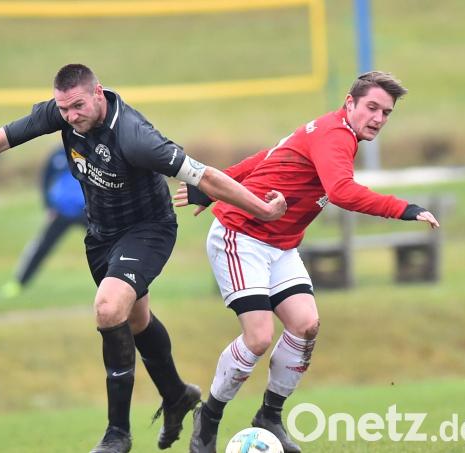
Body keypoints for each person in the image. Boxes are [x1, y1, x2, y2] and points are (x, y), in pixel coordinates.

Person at [0, 64, 286, 453]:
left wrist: (263, 210)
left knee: (108, 308)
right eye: (64, 109)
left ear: (98, 93)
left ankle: (117, 433)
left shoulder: (135, 137)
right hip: (102, 236)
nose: (71, 117)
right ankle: (176, 394)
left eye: (78, 106)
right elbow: (1, 138)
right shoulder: (61, 112)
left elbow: (205, 176)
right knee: (135, 319)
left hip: (149, 230)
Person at [173, 71, 440, 453]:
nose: (378, 119)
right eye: (372, 108)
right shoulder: (335, 135)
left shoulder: (329, 130)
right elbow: (342, 192)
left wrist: (216, 184)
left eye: (386, 113)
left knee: (305, 323)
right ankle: (209, 416)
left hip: (280, 245)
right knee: (259, 337)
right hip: (240, 237)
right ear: (349, 103)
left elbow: (270, 156)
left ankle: (269, 416)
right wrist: (405, 208)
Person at [1, 145, 88, 298]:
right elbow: (45, 181)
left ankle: (121, 282)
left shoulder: (92, 152)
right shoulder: (57, 155)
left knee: (108, 246)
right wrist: (49, 206)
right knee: (41, 248)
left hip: (87, 212)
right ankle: (19, 283)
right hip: (61, 212)